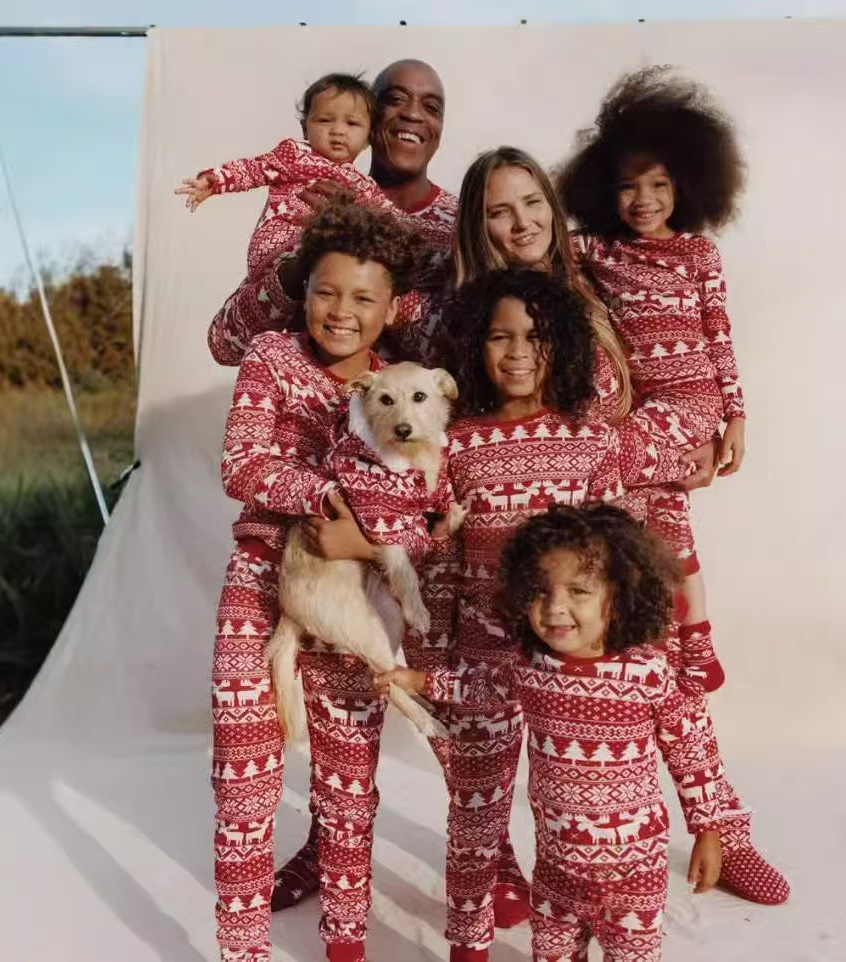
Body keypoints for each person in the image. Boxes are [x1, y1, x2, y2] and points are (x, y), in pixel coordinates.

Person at [404, 267, 722, 961]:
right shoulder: (456, 446)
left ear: (567, 347)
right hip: (484, 660)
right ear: (477, 349)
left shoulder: (592, 440)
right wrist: (429, 659)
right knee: (474, 815)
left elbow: (616, 551)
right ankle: (468, 944)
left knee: (574, 802)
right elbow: (443, 566)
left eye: (537, 336)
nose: (518, 351)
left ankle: (599, 910)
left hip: (574, 668)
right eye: (500, 336)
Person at [210, 197, 430, 962]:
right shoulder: (272, 357)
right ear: (302, 291)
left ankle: (344, 946)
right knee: (245, 764)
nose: (342, 311)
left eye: (364, 297)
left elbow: (421, 499)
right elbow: (241, 464)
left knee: (347, 782)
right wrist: (329, 499)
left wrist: (367, 541)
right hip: (262, 577)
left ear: (392, 307)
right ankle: (241, 945)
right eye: (326, 291)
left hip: (358, 599)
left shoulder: (397, 385)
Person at [377, 502, 723, 962]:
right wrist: (420, 681)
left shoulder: (648, 674)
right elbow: (483, 687)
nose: (555, 608)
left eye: (578, 590)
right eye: (540, 592)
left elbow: (693, 753)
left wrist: (709, 828)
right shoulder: (533, 668)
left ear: (620, 596)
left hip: (633, 874)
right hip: (556, 871)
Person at [557, 66, 748, 692]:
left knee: (606, 464)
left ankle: (642, 626)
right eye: (627, 187)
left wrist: (735, 419)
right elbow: (541, 243)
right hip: (643, 403)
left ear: (686, 186)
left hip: (690, 401)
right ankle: (688, 641)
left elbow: (720, 337)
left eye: (659, 185)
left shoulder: (698, 254)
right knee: (661, 511)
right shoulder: (601, 253)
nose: (644, 200)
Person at [206, 59, 457, 368]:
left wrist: (363, 237)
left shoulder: (460, 224)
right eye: (395, 100)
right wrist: (304, 261)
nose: (413, 114)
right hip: (315, 411)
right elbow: (225, 343)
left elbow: (464, 345)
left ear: (441, 129)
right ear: (369, 119)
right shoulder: (313, 194)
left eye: (432, 108)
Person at [176, 74, 392, 276]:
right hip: (279, 244)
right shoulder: (295, 155)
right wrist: (215, 181)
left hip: (324, 259)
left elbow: (390, 217)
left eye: (352, 123)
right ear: (305, 128)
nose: (338, 130)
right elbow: (255, 169)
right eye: (325, 120)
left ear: (368, 138)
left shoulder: (363, 185)